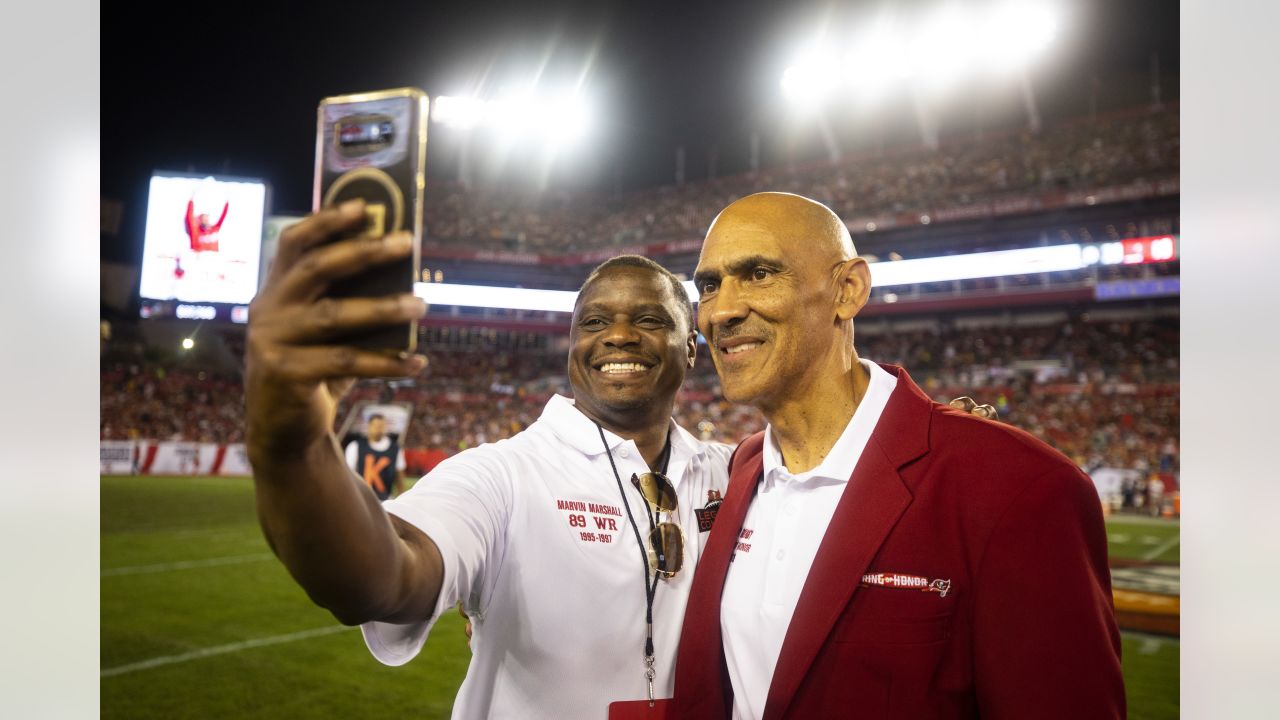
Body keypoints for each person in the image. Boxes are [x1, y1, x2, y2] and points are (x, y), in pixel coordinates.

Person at [243, 199, 731, 719]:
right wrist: (293, 447)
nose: (618, 335)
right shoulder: (501, 476)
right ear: (571, 347)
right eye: (594, 322)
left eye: (650, 319)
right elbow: (386, 578)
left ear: (693, 347)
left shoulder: (738, 472)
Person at [672, 192, 1124, 719]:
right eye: (709, 285)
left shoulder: (1018, 488)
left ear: (848, 290)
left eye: (759, 274)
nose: (721, 310)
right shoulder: (740, 470)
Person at [344, 413, 406, 500]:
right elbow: (348, 475)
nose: (378, 429)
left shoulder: (395, 449)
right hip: (361, 499)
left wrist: (400, 498)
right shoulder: (355, 446)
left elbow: (399, 477)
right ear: (369, 426)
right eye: (376, 425)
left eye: (381, 426)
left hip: (385, 499)